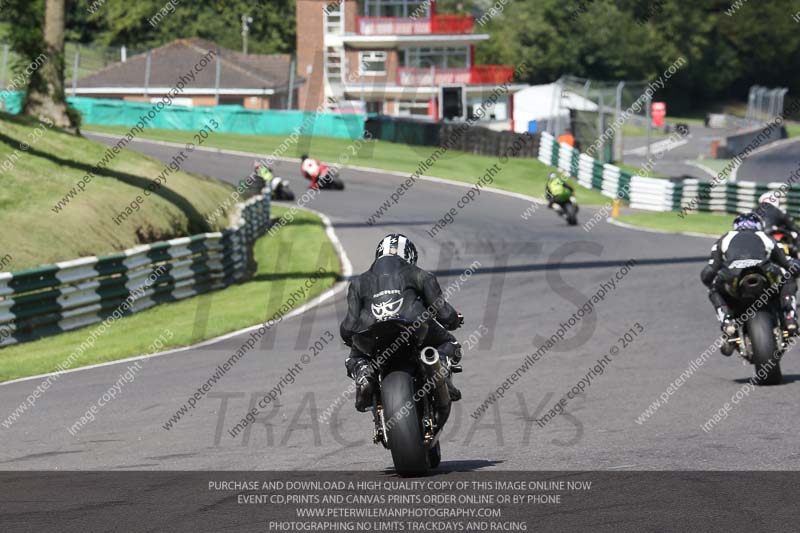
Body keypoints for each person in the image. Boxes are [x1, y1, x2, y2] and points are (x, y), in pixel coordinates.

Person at [340, 234, 464, 412]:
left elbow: (348, 327)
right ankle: (440, 367)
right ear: (410, 256)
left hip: (370, 329)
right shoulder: (420, 274)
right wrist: (455, 320)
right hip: (413, 322)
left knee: (355, 357)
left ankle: (364, 372)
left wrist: (350, 339)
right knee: (450, 343)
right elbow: (444, 313)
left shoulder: (357, 283)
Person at [701, 212, 800, 353]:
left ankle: (727, 321)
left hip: (734, 276)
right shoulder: (766, 237)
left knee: (713, 287)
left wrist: (709, 279)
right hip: (764, 272)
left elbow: (710, 271)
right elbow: (787, 263)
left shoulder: (724, 239)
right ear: (759, 225)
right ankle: (789, 317)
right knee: (788, 277)